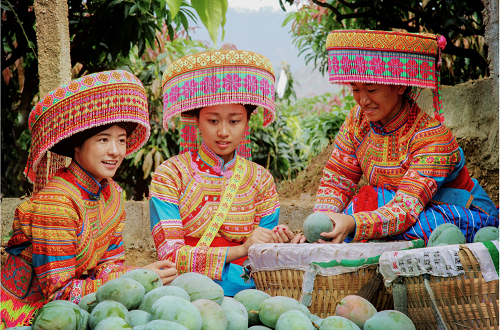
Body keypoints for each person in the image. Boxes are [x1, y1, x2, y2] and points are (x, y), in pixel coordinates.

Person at [1, 70, 178, 329]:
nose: (115, 151)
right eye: (103, 139)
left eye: (121, 140)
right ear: (77, 145)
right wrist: (137, 279)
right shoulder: (56, 203)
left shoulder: (113, 195)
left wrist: (143, 274)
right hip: (30, 316)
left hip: (81, 308)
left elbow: (107, 268)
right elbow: (59, 295)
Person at [293, 30, 498, 245]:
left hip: (455, 212)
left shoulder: (434, 138)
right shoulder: (357, 121)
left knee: (401, 215)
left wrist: (354, 222)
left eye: (371, 89)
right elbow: (338, 178)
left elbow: (406, 208)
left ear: (400, 85)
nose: (362, 101)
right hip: (398, 210)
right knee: (364, 203)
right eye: (355, 89)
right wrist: (325, 223)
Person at [149, 50, 295, 296]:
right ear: (196, 120)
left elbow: (263, 254)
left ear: (248, 121)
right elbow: (170, 254)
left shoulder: (261, 180)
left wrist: (279, 240)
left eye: (234, 121)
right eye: (213, 121)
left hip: (250, 291)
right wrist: (241, 249)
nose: (224, 132)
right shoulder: (170, 175)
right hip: (188, 291)